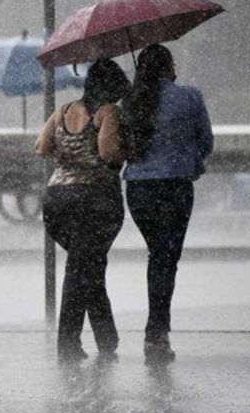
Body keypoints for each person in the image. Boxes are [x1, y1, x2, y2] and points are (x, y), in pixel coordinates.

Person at [121, 44, 214, 364]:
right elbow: (206, 142)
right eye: (172, 63)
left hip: (138, 191)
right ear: (166, 67)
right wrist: (191, 163)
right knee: (165, 259)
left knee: (158, 254)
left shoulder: (130, 101)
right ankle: (156, 334)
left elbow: (124, 146)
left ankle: (157, 332)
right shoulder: (189, 97)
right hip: (175, 189)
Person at [36, 59, 132, 362]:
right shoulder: (108, 112)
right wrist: (127, 150)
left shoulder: (63, 110)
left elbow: (41, 146)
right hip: (94, 200)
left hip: (57, 201)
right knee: (81, 270)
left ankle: (107, 339)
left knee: (88, 266)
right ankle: (68, 344)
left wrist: (69, 159)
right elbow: (106, 152)